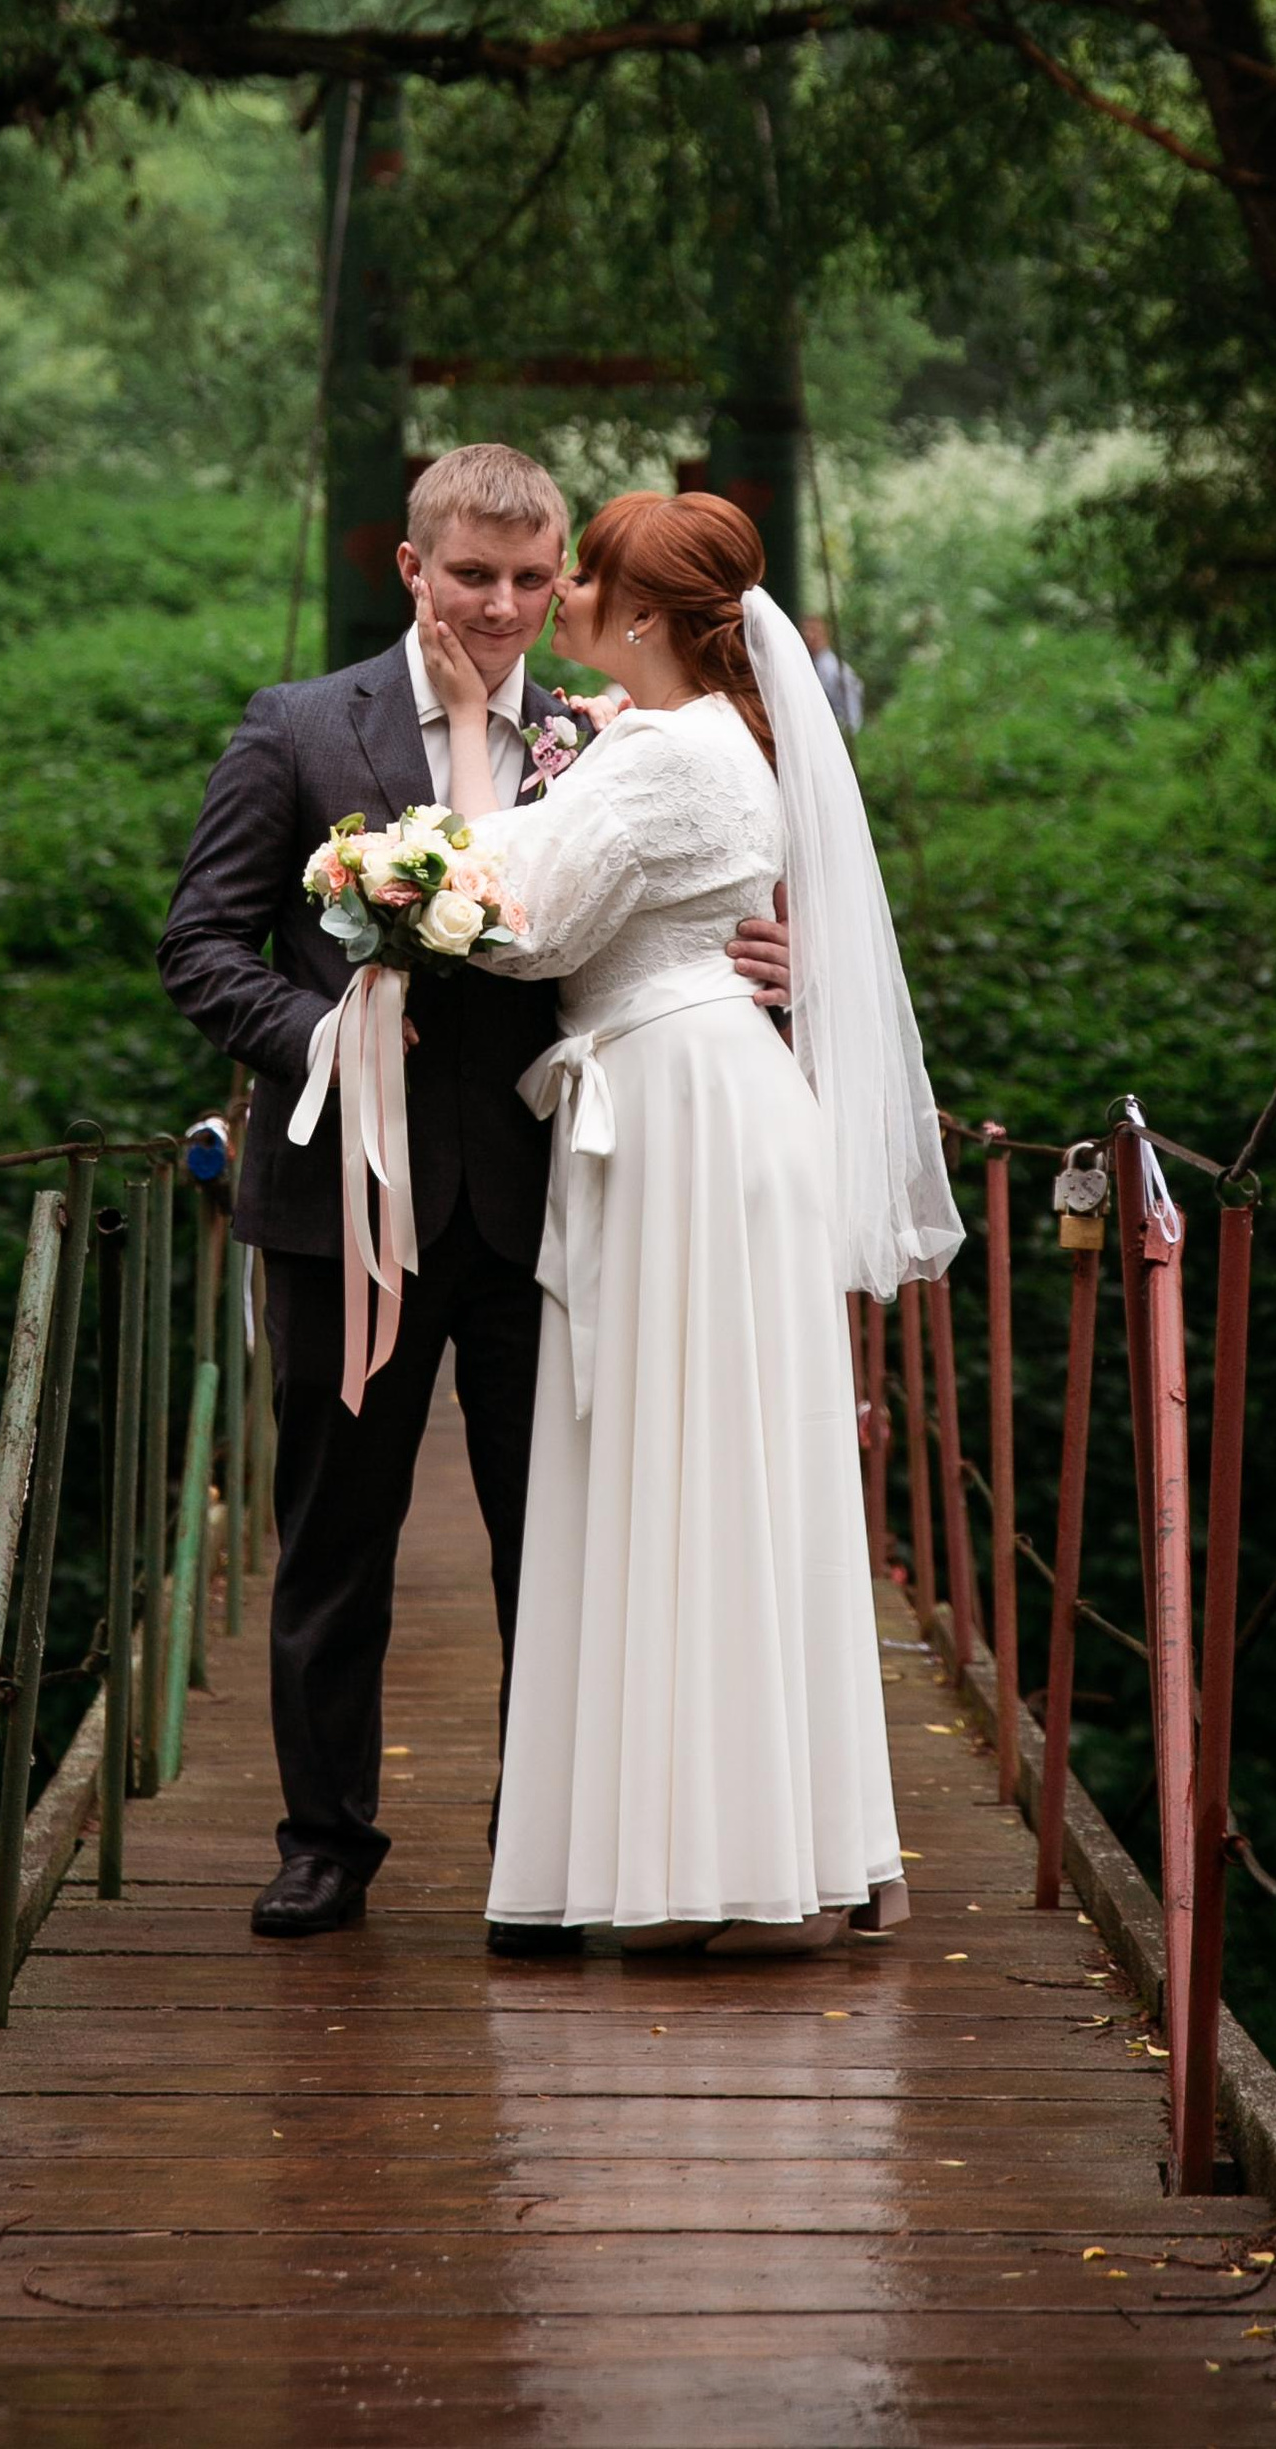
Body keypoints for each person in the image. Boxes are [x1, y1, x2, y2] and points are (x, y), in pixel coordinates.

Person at [158, 444, 790, 1947]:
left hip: (550, 1208)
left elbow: (674, 910)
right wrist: (328, 1040)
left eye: (530, 578)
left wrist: (770, 965)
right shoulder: (302, 727)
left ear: (562, 573)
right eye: (473, 578)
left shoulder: (605, 735)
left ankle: (542, 1857)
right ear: (413, 571)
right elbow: (201, 945)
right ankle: (325, 1841)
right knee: (331, 1539)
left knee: (552, 1543)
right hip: (342, 1206)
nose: (504, 607)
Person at [423, 493, 962, 1949]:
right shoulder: (718, 742)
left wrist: (473, 739)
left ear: (644, 615)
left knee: (675, 1461)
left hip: (674, 1117)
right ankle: (772, 1839)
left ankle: (690, 1866)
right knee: (736, 1466)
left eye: (584, 575)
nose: (566, 595)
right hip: (713, 1094)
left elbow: (509, 919)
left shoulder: (658, 755)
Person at [801, 609, 867, 738]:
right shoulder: (809, 666)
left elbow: (852, 718)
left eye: (814, 630)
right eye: (805, 630)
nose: (809, 635)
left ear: (825, 633)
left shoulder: (836, 671)